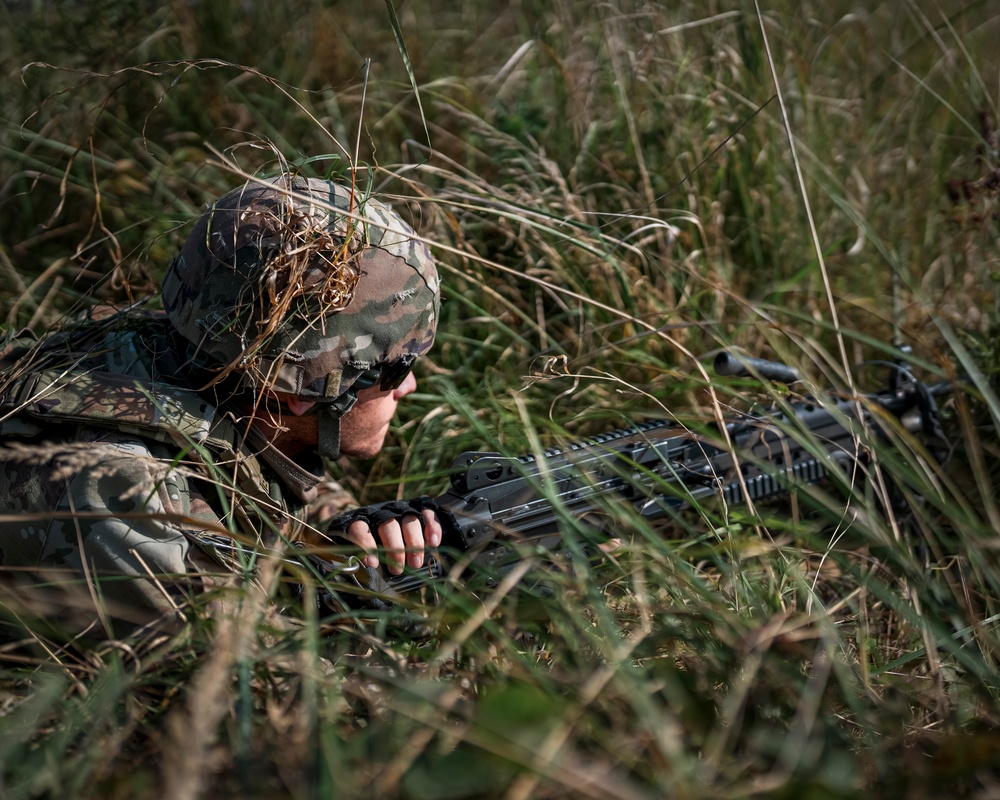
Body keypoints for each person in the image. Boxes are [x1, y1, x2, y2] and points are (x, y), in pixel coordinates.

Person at [0, 174, 442, 641]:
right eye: (394, 370)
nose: (409, 387)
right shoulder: (129, 501)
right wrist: (421, 621)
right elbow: (270, 696)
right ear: (303, 390)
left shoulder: (200, 351)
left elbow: (261, 481)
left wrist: (351, 534)